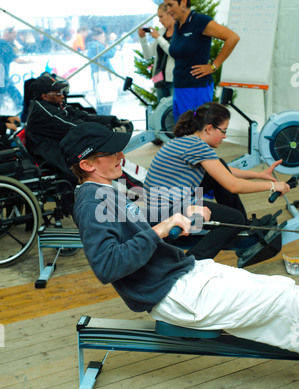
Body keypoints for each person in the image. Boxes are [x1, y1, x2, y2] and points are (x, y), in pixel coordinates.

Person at [60, 122, 299, 354]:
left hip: (183, 273)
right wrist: (160, 230)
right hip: (172, 293)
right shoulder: (91, 203)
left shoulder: (105, 191)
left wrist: (183, 211)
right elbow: (107, 266)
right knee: (285, 299)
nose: (121, 154)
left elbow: (139, 216)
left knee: (283, 286)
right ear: (87, 164)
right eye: (112, 152)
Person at [143, 102, 290, 261]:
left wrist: (259, 175)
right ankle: (190, 262)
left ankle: (243, 227)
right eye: (223, 131)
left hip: (160, 205)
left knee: (220, 165)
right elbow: (233, 186)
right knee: (234, 219)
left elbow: (220, 172)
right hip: (165, 212)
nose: (225, 136)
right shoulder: (197, 146)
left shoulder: (187, 141)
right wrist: (274, 185)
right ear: (209, 128)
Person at [25, 72, 131, 185]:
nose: (62, 95)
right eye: (58, 93)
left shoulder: (54, 104)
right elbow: (76, 127)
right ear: (45, 96)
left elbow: (82, 116)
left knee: (110, 162)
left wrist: (112, 120)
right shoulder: (42, 111)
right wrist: (109, 131)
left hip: (64, 149)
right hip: (55, 156)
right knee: (103, 165)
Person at [160, 0, 240, 121]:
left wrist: (214, 66)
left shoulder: (200, 21)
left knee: (196, 132)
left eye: (170, 5)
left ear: (184, 2)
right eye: (166, 6)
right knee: (182, 133)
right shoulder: (178, 26)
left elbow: (232, 37)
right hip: (180, 87)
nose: (168, 10)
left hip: (196, 89)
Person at [138, 3, 175, 102]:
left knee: (174, 110)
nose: (160, 20)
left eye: (161, 16)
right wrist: (143, 39)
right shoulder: (162, 31)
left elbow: (173, 53)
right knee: (162, 111)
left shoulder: (179, 33)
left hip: (174, 79)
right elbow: (148, 55)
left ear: (171, 15)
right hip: (159, 78)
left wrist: (158, 37)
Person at [0, 27, 32, 113]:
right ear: (7, 33)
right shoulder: (5, 45)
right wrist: (29, 61)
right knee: (16, 97)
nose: (15, 37)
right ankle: (22, 113)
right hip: (3, 77)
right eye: (14, 35)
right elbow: (17, 60)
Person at [86, 27, 117, 116]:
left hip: (100, 76)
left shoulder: (95, 46)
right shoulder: (96, 46)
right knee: (105, 102)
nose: (104, 39)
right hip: (102, 76)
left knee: (103, 101)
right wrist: (112, 41)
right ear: (96, 37)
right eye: (102, 37)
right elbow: (110, 53)